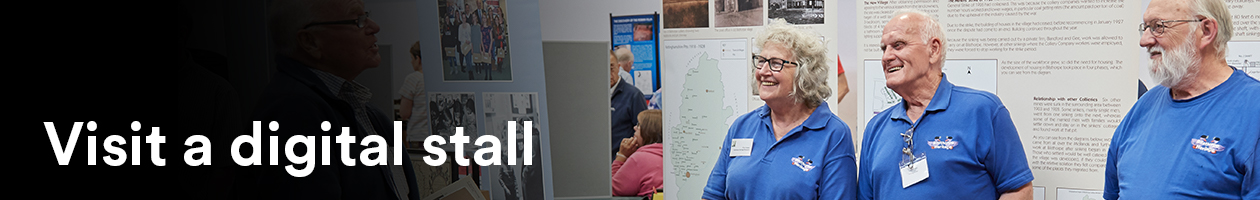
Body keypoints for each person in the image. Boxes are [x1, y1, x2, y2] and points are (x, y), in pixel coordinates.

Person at [245, 0, 419, 199]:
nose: (374, 27)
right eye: (357, 20)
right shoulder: (294, 112)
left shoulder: (357, 107)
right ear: (310, 41)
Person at [858, 9, 1032, 200]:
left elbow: (1018, 191)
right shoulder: (875, 128)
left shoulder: (983, 110)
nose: (886, 57)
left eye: (898, 45)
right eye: (884, 49)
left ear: (933, 49)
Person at [1105, 0, 1259, 199]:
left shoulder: (1254, 110)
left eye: (1158, 26)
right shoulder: (1145, 105)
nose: (1144, 41)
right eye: (1145, 28)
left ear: (1205, 31)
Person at [702, 18, 856, 200]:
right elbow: (713, 195)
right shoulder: (742, 126)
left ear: (804, 73)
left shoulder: (834, 135)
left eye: (775, 63)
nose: (763, 71)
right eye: (760, 61)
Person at [611, 109, 664, 196]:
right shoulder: (675, 155)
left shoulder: (640, 158)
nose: (634, 127)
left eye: (638, 125)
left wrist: (621, 156)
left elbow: (613, 190)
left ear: (648, 130)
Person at [610, 49, 648, 159]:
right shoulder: (594, 95)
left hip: (624, 162)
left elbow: (644, 133)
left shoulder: (634, 95)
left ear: (618, 68)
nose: (608, 73)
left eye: (611, 68)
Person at [399, 41, 429, 147]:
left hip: (419, 136)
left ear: (418, 59)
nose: (411, 62)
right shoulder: (436, 80)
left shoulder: (413, 79)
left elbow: (404, 113)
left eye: (412, 59)